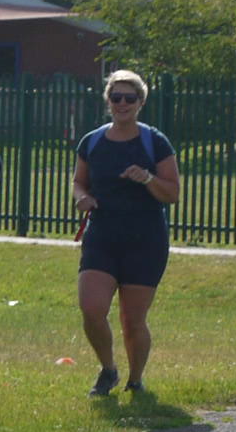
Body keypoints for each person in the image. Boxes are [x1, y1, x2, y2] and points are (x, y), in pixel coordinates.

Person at [72, 69, 181, 400]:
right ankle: (108, 369)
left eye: (129, 98)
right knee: (91, 309)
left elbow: (173, 193)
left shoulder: (155, 142)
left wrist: (147, 178)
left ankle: (135, 380)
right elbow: (79, 182)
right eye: (115, 97)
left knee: (132, 320)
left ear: (140, 102)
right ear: (107, 101)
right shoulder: (92, 141)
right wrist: (82, 198)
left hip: (144, 240)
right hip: (102, 235)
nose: (122, 104)